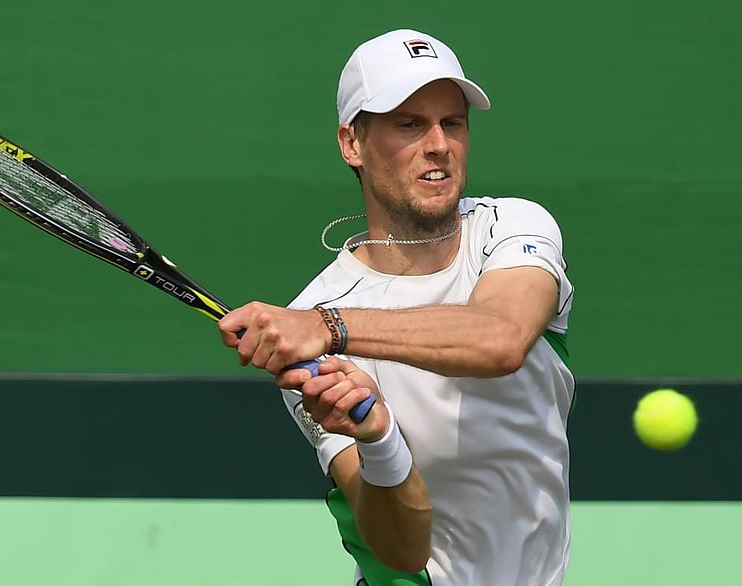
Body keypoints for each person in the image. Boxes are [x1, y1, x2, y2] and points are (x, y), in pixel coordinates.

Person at [218, 28, 575, 586]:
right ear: (352, 144)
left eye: (451, 122)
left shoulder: (512, 228)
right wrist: (377, 437)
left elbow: (501, 338)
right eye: (409, 124)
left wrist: (330, 329)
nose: (438, 144)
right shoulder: (310, 319)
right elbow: (400, 551)